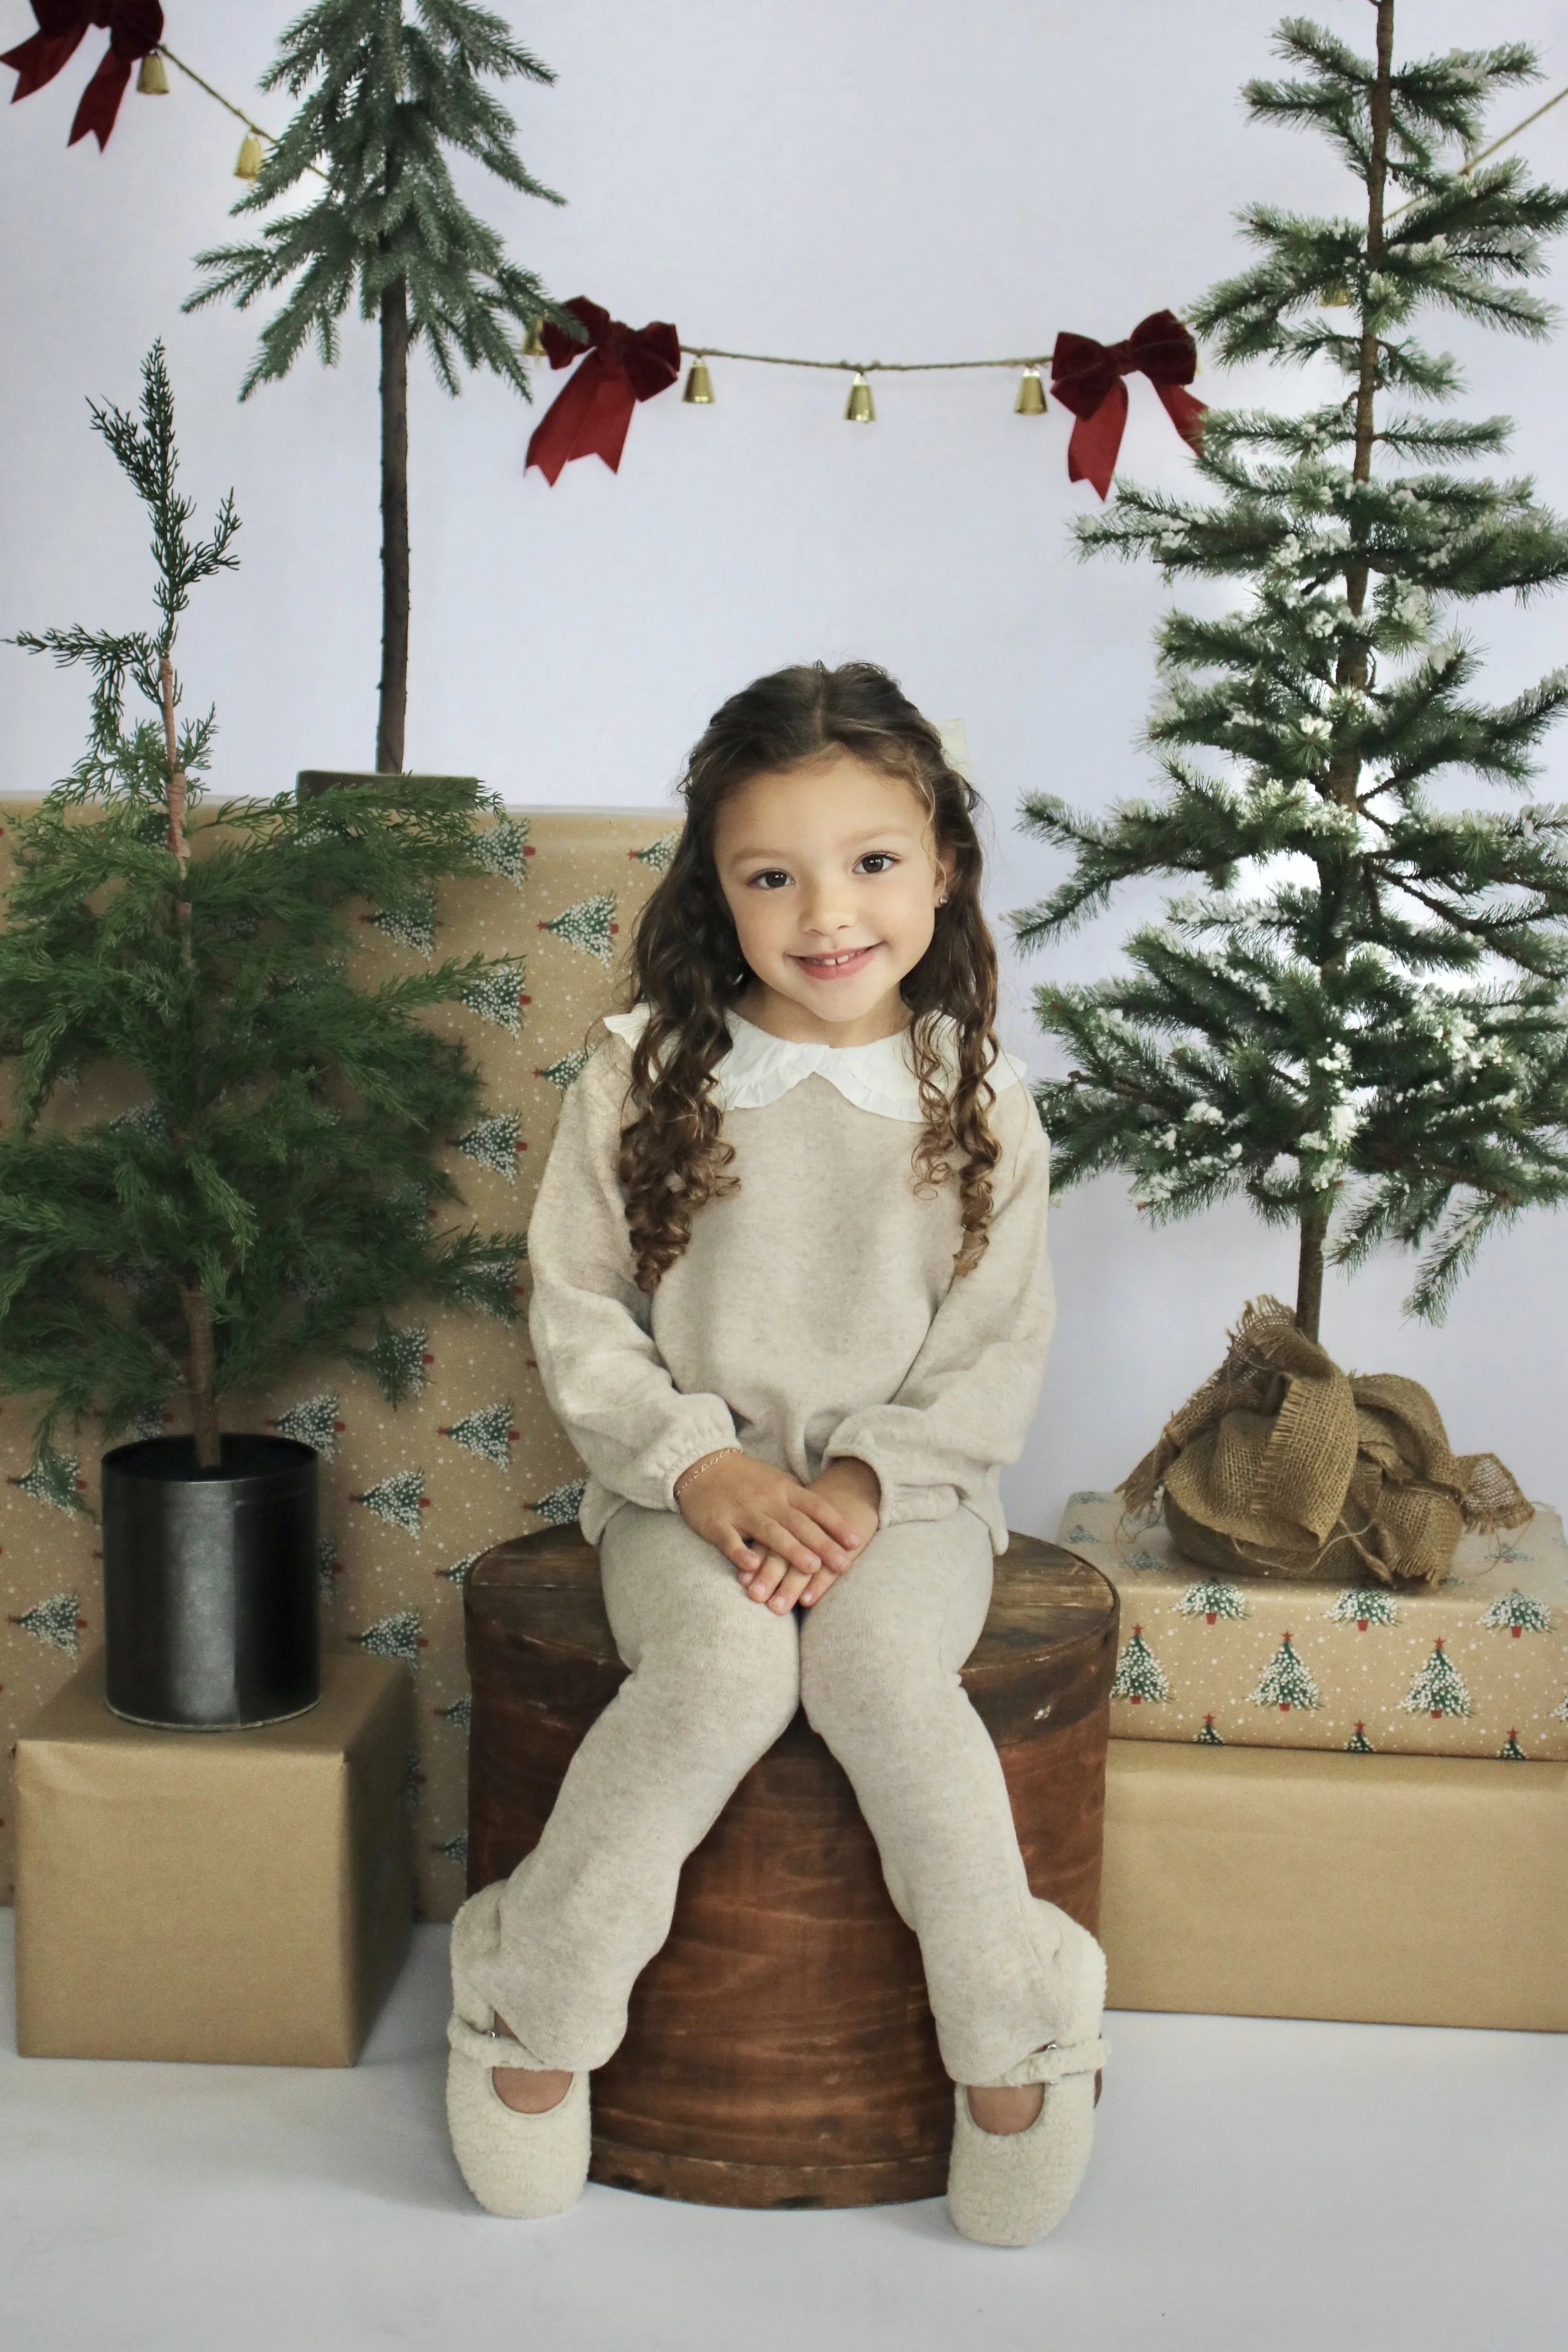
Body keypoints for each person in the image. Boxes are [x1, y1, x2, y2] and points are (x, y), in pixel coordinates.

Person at [444, 660, 1107, 2245]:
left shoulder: (983, 1102)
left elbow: (993, 1348)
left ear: (940, 867)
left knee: (880, 1676)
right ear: (715, 890)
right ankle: (530, 2002)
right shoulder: (643, 1073)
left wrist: (867, 1483)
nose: (827, 913)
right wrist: (699, 1467)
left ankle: (1016, 2031)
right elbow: (579, 1310)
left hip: (910, 1499)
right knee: (724, 1676)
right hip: (683, 1495)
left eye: (871, 861)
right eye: (770, 876)